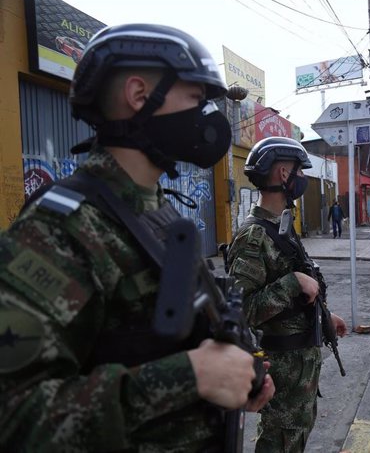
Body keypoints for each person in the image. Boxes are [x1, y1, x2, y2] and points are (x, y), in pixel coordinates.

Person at [0, 24, 274, 451]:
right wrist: (190, 376)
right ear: (139, 95)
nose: (207, 117)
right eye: (196, 99)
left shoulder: (154, 209)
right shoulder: (60, 230)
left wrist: (241, 370)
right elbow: (14, 417)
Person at [224, 136, 348, 452]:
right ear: (283, 174)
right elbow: (242, 311)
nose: (302, 178)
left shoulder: (281, 227)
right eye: (299, 171)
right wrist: (292, 283)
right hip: (282, 368)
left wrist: (324, 316)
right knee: (279, 441)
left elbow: (296, 294)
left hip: (300, 368)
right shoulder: (254, 235)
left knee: (295, 437)